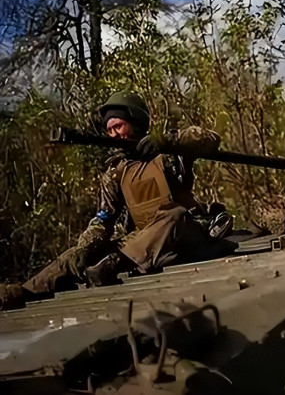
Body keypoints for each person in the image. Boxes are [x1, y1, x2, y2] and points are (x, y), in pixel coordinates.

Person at [11, 91, 234, 305]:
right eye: (110, 130)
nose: (115, 134)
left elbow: (210, 139)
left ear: (136, 123)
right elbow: (103, 219)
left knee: (175, 214)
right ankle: (24, 291)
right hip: (142, 244)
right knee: (75, 256)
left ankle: (116, 264)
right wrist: (86, 248)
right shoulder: (115, 172)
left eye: (118, 126)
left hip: (185, 236)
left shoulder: (169, 154)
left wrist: (164, 141)